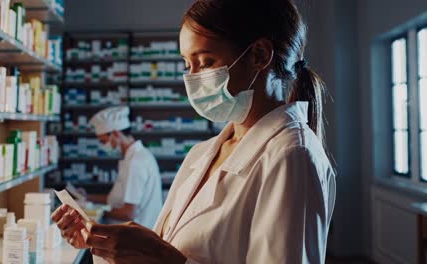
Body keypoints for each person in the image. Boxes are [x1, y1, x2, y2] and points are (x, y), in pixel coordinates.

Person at [52, 0, 336, 263]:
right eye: (188, 64)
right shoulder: (202, 153)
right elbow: (163, 250)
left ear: (259, 55)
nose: (192, 78)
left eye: (205, 62)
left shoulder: (291, 157)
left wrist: (164, 258)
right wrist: (102, 242)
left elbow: (166, 257)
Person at [85, 106, 163, 229]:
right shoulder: (135, 156)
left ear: (116, 134)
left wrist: (97, 212)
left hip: (137, 238)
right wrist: (87, 198)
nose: (104, 147)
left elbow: (128, 214)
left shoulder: (136, 162)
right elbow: (116, 199)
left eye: (104, 141)